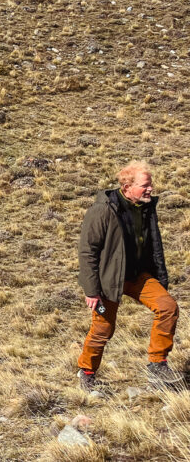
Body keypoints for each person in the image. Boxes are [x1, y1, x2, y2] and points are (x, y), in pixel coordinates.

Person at [77, 160, 181, 389]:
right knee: (103, 329)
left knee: (168, 307)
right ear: (127, 187)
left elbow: (154, 246)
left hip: (137, 275)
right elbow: (87, 252)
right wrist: (91, 290)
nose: (150, 189)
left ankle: (157, 366)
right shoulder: (103, 210)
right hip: (108, 280)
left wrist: (160, 278)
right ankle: (86, 373)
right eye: (145, 185)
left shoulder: (146, 207)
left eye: (150, 184)